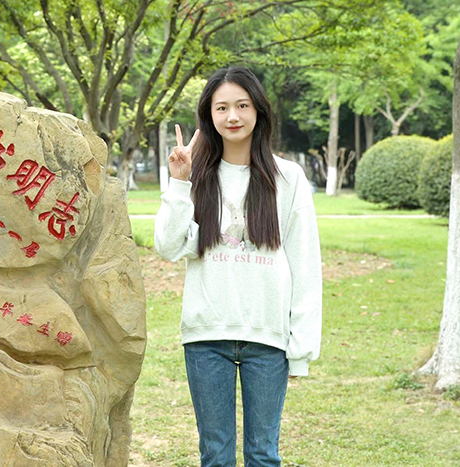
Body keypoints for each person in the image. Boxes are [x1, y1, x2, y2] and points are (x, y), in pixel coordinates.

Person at [154, 66, 322, 467]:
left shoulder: (288, 177)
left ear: (258, 110)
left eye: (242, 105)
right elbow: (169, 247)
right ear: (208, 115)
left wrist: (300, 349)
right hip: (206, 337)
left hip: (268, 338)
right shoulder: (194, 175)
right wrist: (179, 183)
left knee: (263, 455)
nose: (233, 116)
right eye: (222, 108)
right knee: (215, 456)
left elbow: (304, 263)